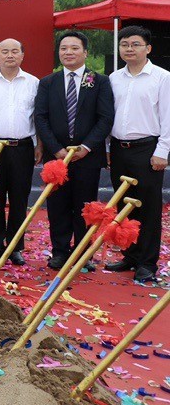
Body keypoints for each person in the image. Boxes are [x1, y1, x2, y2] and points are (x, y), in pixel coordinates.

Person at [34, 31, 114, 270]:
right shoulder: (48, 82)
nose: (68, 52)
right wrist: (56, 149)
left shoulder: (99, 81)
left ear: (85, 52)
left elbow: (105, 118)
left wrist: (86, 147)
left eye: (74, 48)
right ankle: (59, 252)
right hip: (56, 157)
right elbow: (41, 118)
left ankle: (82, 253)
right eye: (64, 48)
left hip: (87, 157)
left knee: (85, 207)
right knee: (57, 205)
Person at [104, 26, 167, 283]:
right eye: (125, 44)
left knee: (149, 208)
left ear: (148, 48)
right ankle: (130, 254)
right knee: (124, 206)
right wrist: (108, 149)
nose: (129, 49)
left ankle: (147, 263)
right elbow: (109, 116)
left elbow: (168, 117)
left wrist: (162, 151)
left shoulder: (162, 78)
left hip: (148, 150)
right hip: (119, 149)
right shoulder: (114, 78)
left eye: (135, 44)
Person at [0, 38, 39, 266]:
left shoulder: (33, 82)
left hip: (22, 147)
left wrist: (38, 145)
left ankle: (15, 247)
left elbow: (37, 118)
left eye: (15, 51)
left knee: (19, 198)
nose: (10, 55)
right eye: (5, 51)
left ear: (23, 55)